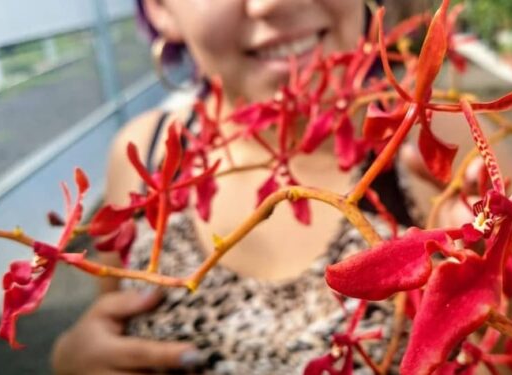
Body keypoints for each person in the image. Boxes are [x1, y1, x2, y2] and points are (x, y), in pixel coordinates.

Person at [51, 0, 486, 373]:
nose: (272, 3)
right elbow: (109, 317)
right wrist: (70, 361)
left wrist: (489, 292)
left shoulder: (446, 147)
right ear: (160, 8)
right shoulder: (142, 152)